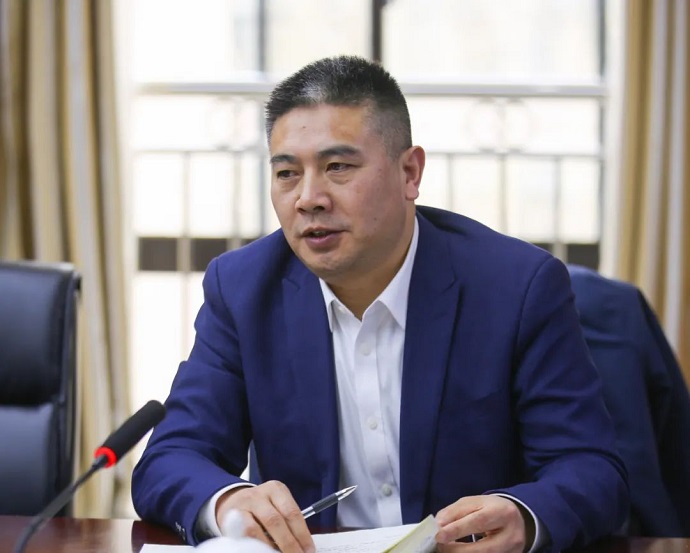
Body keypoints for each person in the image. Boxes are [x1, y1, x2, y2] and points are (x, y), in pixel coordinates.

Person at [132, 55, 629, 553]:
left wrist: (524, 516)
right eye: (286, 173)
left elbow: (592, 470)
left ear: (409, 172)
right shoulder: (244, 290)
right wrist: (227, 502)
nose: (308, 198)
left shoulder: (516, 287)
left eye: (338, 167)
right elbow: (171, 458)